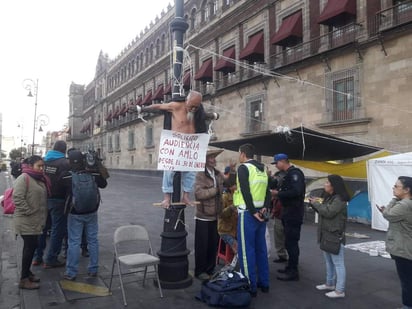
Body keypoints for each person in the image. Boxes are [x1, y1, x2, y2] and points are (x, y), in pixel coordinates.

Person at [134, 90, 203, 208]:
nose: (193, 109)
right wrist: (142, 109)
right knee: (169, 171)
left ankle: (185, 196)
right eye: (191, 106)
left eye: (196, 107)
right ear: (186, 100)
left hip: (190, 147)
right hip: (175, 145)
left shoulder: (198, 111)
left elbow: (206, 116)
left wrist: (213, 116)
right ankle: (167, 198)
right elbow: (158, 106)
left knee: (191, 172)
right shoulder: (176, 106)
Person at [233, 143, 271, 297]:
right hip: (261, 213)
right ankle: (265, 283)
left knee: (246, 251)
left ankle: (250, 285)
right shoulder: (262, 169)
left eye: (239, 153)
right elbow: (267, 192)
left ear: (243, 154)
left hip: (248, 213)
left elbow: (245, 191)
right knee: (261, 249)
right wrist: (265, 208)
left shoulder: (243, 168)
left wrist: (253, 211)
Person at [63, 150, 107, 281]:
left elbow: (59, 189)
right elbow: (104, 184)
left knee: (74, 242)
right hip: (92, 211)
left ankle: (71, 272)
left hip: (75, 213)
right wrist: (96, 165)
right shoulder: (93, 173)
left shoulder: (67, 176)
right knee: (93, 240)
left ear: (70, 161)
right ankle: (93, 269)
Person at [309, 175, 351, 299]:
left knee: (338, 262)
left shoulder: (339, 199)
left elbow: (328, 212)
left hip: (334, 234)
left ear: (333, 185)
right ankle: (329, 283)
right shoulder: (330, 198)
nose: (324, 184)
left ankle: (340, 290)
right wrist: (315, 204)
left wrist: (316, 204)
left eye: (327, 182)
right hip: (326, 233)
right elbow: (324, 210)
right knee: (328, 260)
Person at [12, 155, 50, 289]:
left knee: (31, 247)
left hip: (35, 220)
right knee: (29, 248)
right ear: (31, 166)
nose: (41, 168)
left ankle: (27, 273)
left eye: (42, 166)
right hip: (26, 221)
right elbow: (17, 198)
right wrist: (28, 212)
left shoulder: (38, 178)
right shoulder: (24, 178)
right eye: (39, 166)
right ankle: (23, 279)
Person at [377, 176, 412, 309]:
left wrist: (393, 200)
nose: (393, 188)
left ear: (407, 190)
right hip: (406, 246)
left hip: (404, 248)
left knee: (406, 280)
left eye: (396, 186)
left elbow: (389, 215)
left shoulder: (405, 204)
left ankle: (407, 306)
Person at [271, 153, 305, 281]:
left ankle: (293, 271)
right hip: (288, 211)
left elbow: (296, 191)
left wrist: (278, 193)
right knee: (288, 242)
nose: (276, 166)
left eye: (277, 163)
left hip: (293, 212)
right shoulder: (288, 174)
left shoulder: (295, 173)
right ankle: (290, 266)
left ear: (282, 161)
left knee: (292, 243)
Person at [194, 149, 224, 280]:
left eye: (214, 157)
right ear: (205, 160)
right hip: (203, 216)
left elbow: (228, 184)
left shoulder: (217, 174)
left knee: (213, 244)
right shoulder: (200, 174)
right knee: (202, 245)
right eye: (212, 157)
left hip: (215, 215)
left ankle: (210, 269)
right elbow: (199, 194)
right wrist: (215, 190)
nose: (214, 159)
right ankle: (200, 270)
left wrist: (233, 171)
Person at [42, 140, 71, 268]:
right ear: (64, 150)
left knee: (43, 229)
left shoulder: (44, 161)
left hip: (44, 198)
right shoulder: (65, 163)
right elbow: (68, 182)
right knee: (57, 230)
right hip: (59, 200)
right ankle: (51, 258)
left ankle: (37, 257)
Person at [218, 163, 238, 266]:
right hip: (225, 230)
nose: (237, 186)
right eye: (235, 185)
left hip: (236, 229)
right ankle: (234, 267)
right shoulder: (224, 197)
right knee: (236, 246)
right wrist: (231, 208)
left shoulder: (237, 195)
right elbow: (220, 214)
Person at [269, 170, 288, 263]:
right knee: (280, 236)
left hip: (281, 216)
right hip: (281, 215)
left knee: (280, 236)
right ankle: (282, 255)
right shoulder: (281, 191)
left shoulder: (281, 192)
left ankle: (282, 255)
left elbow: (279, 204)